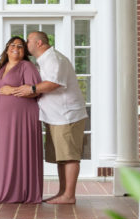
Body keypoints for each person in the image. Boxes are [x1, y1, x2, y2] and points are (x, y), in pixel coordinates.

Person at [8, 31, 88, 204]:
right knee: (62, 157)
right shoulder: (43, 60)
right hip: (56, 116)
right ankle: (63, 193)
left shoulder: (54, 59)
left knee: (70, 156)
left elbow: (54, 83)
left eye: (27, 41)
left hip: (67, 115)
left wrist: (31, 89)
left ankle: (69, 195)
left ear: (38, 43)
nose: (25, 43)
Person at [0, 36, 43, 204]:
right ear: (7, 48)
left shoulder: (27, 66)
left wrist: (13, 90)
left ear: (24, 52)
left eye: (20, 46)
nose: (16, 48)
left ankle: (22, 192)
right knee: (4, 152)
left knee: (21, 150)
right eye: (12, 45)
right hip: (3, 119)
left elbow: (35, 91)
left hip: (23, 116)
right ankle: (4, 191)